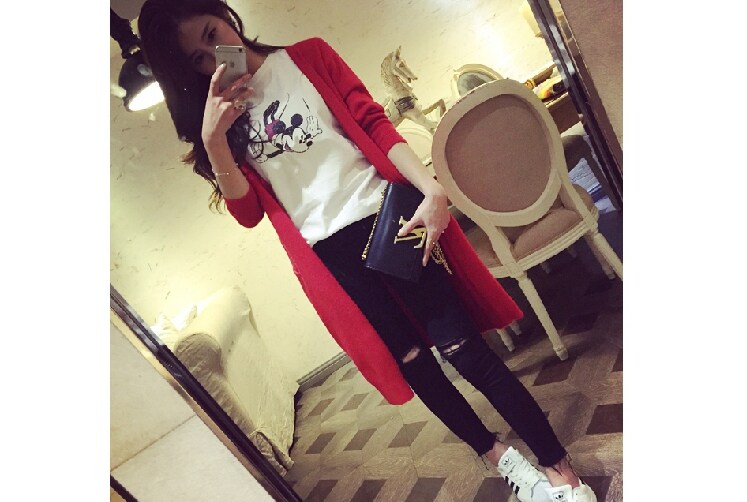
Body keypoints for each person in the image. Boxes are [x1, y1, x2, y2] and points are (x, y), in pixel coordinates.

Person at [137, 1, 597, 501]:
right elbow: (248, 213)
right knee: (416, 364)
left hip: (389, 220)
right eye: (199, 58)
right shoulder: (224, 124)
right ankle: (502, 460)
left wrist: (432, 190)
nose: (215, 57)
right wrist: (214, 141)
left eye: (212, 33)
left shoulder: (307, 58)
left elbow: (374, 123)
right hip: (332, 258)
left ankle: (560, 471)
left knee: (465, 351)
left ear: (226, 16)